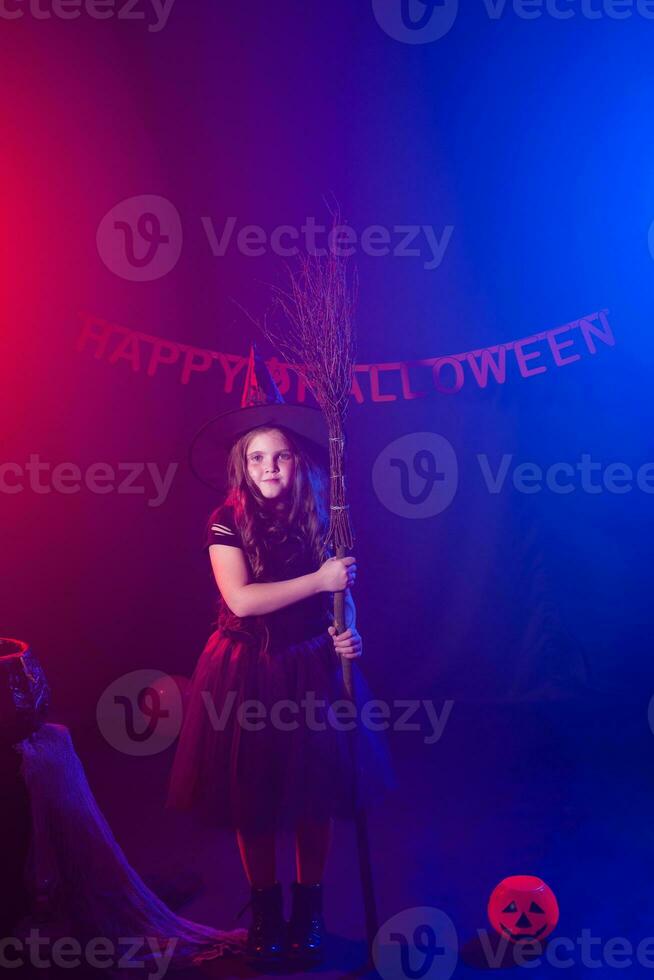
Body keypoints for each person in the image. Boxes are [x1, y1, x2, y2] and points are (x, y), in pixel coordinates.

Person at [166, 344, 392, 969]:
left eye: (281, 456)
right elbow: (240, 599)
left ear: (296, 461)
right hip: (246, 670)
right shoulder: (224, 521)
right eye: (257, 457)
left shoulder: (323, 512)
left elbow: (343, 590)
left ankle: (310, 908)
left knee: (314, 795)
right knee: (253, 796)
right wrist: (318, 584)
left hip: (312, 664)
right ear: (242, 463)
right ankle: (266, 909)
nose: (269, 467)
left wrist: (351, 632)